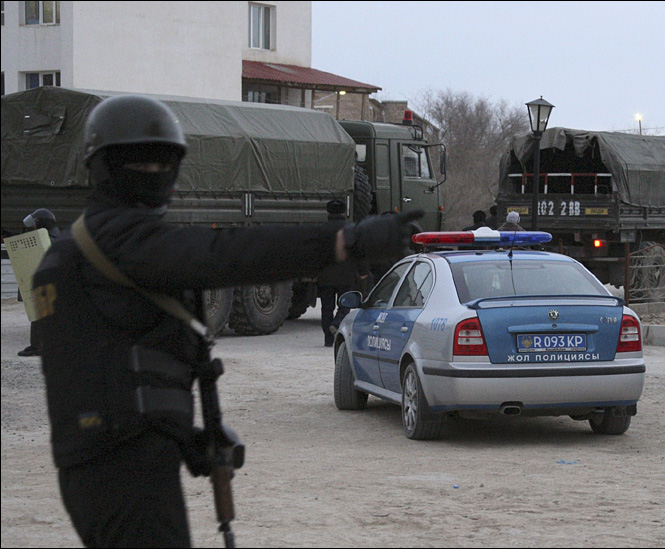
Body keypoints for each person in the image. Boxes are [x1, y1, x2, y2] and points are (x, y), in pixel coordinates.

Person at [31, 94, 421, 547]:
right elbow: (230, 254)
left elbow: (104, 363)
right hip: (123, 463)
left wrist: (181, 434)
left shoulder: (63, 259)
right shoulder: (122, 241)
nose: (156, 176)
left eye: (163, 164)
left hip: (104, 456)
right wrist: (346, 241)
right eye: (143, 164)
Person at [318, 199, 369, 346]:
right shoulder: (351, 229)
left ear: (328, 212)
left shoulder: (321, 230)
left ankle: (328, 339)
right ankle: (337, 321)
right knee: (345, 305)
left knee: (326, 307)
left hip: (325, 275)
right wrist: (362, 271)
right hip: (345, 275)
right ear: (343, 212)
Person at [18, 209, 63, 357]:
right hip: (57, 281)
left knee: (39, 313)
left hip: (46, 282)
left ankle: (37, 346)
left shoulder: (45, 239)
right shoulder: (59, 237)